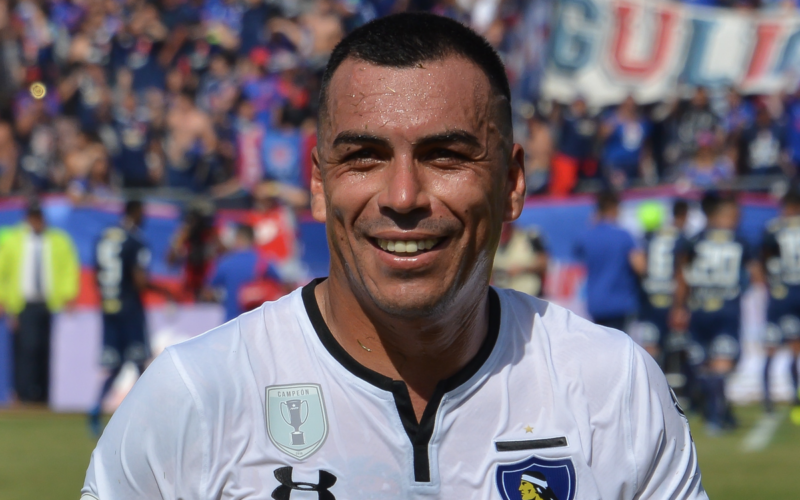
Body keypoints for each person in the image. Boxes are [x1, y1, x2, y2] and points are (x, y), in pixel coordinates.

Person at [82, 14, 705, 499]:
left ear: (513, 182)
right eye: (364, 157)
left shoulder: (613, 388)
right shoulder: (196, 394)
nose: (403, 196)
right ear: (319, 180)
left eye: (446, 155)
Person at [673, 192, 760, 434]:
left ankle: (715, 411)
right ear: (719, 215)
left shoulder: (694, 240)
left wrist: (679, 306)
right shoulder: (739, 240)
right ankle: (717, 413)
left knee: (704, 364)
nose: (737, 219)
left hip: (699, 307)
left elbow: (682, 275)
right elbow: (754, 274)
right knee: (722, 364)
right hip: (726, 308)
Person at [88, 200, 173, 435]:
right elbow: (140, 281)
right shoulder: (136, 241)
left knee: (113, 365)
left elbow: (97, 274)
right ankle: (153, 417)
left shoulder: (104, 236)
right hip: (130, 308)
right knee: (140, 363)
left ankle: (95, 410)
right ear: (135, 213)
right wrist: (164, 291)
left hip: (108, 307)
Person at [0, 200, 79, 403]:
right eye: (33, 217)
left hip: (47, 303)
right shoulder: (13, 240)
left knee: (45, 350)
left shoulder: (57, 240)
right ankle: (23, 394)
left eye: (39, 217)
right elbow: (3, 272)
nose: (37, 222)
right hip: (22, 304)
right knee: (26, 350)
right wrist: (3, 300)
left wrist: (68, 295)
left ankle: (42, 395)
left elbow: (67, 268)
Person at [575, 190, 646, 333]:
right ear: (615, 208)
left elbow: (578, 251)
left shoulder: (587, 236)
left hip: (596, 303)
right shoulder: (624, 236)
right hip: (620, 302)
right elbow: (640, 267)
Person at [761, 189, 800, 413]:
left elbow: (764, 257)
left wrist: (769, 283)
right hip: (797, 291)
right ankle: (795, 394)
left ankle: (768, 398)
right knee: (795, 345)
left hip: (780, 292)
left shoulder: (774, 227)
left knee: (772, 345)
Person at [637, 199, 689, 364]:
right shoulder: (679, 237)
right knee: (675, 347)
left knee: (651, 348)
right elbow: (682, 273)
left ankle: (650, 385)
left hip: (651, 297)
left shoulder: (647, 239)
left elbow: (641, 268)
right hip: (671, 295)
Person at [205, 224, 283, 322]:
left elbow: (208, 291)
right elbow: (281, 284)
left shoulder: (225, 262)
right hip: (258, 323)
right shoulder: (264, 260)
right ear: (253, 239)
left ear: (238, 239)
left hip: (232, 322)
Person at [492, 223, 548, 297]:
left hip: (531, 295)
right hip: (505, 297)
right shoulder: (492, 243)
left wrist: (522, 269)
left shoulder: (529, 236)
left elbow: (544, 263)